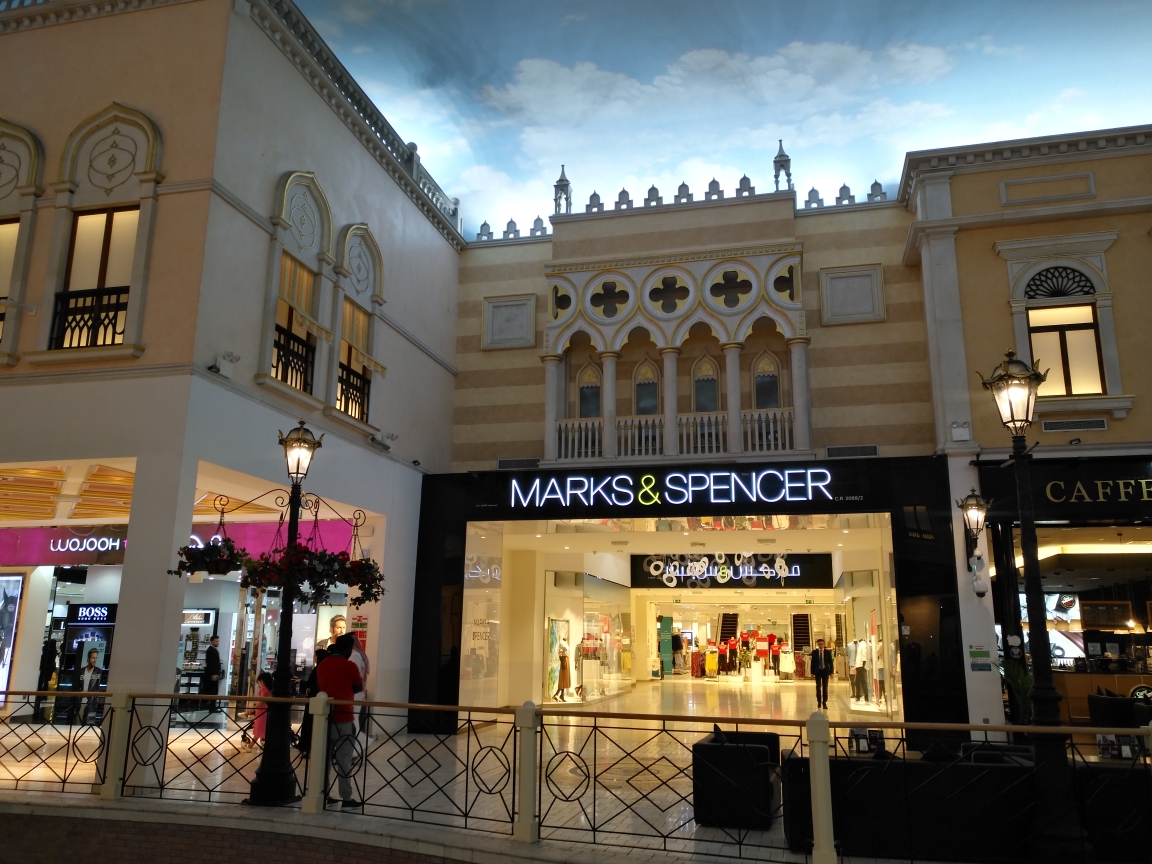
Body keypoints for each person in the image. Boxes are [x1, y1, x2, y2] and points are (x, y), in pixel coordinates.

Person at [316, 633, 363, 809]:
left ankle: (323, 794)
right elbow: (358, 687)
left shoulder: (323, 664)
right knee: (344, 759)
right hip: (343, 717)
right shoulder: (349, 666)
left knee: (324, 760)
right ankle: (346, 797)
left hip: (324, 717)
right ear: (349, 649)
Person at [296, 648, 328, 756]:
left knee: (309, 724)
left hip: (313, 701)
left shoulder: (318, 669)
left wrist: (302, 682)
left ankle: (306, 748)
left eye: (315, 656)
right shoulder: (322, 668)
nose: (313, 658)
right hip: (318, 700)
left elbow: (312, 683)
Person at [74, 648, 104, 724]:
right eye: (93, 658)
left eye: (96, 658)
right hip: (80, 701)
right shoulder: (81, 671)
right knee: (78, 723)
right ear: (88, 659)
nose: (95, 660)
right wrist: (80, 693)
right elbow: (76, 686)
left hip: (91, 702)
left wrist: (88, 693)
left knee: (89, 723)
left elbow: (98, 688)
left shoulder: (98, 671)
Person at [248, 671, 273, 750]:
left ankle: (250, 746)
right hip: (266, 710)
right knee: (263, 728)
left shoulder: (263, 689)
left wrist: (253, 709)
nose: (259, 684)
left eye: (259, 682)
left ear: (262, 681)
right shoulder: (270, 690)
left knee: (259, 729)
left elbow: (261, 701)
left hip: (261, 711)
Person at [811, 638, 834, 710]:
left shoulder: (827, 652)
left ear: (824, 644)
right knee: (818, 687)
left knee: (825, 687)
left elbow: (830, 663)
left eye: (822, 644)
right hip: (818, 671)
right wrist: (812, 673)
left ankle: (824, 702)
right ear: (817, 645)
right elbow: (812, 663)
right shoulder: (814, 652)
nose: (821, 646)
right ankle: (819, 702)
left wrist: (831, 672)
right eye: (819, 644)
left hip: (825, 671)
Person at [201, 634, 222, 710]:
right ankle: (211, 706)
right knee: (213, 690)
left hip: (214, 672)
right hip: (212, 673)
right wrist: (214, 673)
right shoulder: (210, 651)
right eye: (216, 641)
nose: (217, 643)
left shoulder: (213, 650)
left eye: (218, 641)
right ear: (212, 641)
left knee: (213, 690)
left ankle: (212, 706)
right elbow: (210, 663)